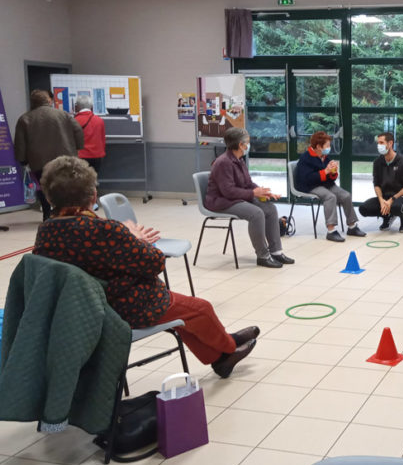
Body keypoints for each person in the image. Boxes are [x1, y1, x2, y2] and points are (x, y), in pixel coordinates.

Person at [33, 156, 258, 378]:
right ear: (93, 195)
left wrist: (127, 239)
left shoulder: (46, 231)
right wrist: (138, 239)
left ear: (50, 197)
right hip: (124, 306)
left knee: (187, 316)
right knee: (201, 309)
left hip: (81, 310)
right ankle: (228, 349)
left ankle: (221, 356)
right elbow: (155, 263)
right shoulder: (104, 230)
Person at [206, 127, 294, 268]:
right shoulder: (223, 162)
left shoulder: (238, 159)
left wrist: (262, 192)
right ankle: (263, 256)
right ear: (240, 145)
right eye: (247, 142)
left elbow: (248, 183)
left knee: (270, 209)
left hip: (235, 197)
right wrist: (254, 193)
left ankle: (276, 251)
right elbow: (228, 191)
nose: (249, 144)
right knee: (256, 213)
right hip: (221, 201)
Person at [14, 89, 84, 221]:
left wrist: (22, 160)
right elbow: (78, 130)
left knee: (43, 187)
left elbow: (20, 142)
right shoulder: (63, 114)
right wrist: (78, 147)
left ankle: (47, 213)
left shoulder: (25, 119)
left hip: (39, 161)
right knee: (66, 185)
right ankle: (66, 212)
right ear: (48, 101)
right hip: (65, 159)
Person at [295, 130, 366, 242]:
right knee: (330, 197)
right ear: (318, 146)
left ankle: (352, 227)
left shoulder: (324, 156)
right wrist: (325, 172)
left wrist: (333, 172)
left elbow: (330, 177)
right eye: (327, 145)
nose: (329, 148)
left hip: (325, 184)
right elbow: (308, 178)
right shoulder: (306, 158)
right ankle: (331, 231)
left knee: (346, 195)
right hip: (310, 186)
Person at [358, 132, 403, 233]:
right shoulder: (377, 162)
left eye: (381, 142)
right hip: (385, 197)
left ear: (390, 143)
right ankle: (387, 217)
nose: (378, 146)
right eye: (378, 143)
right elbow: (376, 184)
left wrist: (392, 200)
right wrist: (381, 200)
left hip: (401, 198)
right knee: (363, 208)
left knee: (396, 206)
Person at [74, 95, 106, 173]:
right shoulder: (99, 120)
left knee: (81, 181)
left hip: (80, 156)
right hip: (97, 156)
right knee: (93, 179)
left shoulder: (74, 121)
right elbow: (102, 139)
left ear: (76, 107)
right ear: (91, 107)